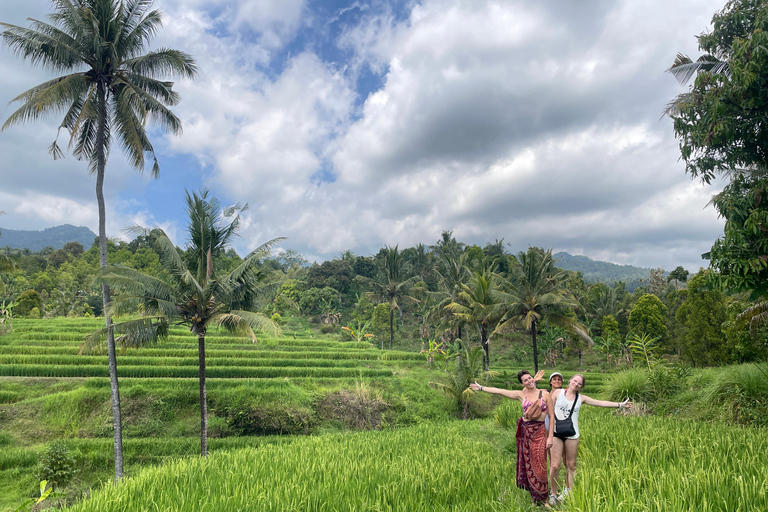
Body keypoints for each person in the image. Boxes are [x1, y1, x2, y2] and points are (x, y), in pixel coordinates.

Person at [470, 370, 554, 505]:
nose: (529, 381)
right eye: (525, 380)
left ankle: (544, 499)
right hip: (526, 433)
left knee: (541, 465)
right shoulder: (521, 395)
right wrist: (481, 388)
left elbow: (552, 416)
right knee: (529, 465)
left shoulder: (545, 394)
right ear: (522, 383)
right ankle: (534, 498)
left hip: (539, 432)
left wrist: (550, 437)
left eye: (530, 378)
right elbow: (499, 391)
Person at [548, 374, 632, 505]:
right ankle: (553, 493)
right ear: (570, 380)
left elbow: (601, 403)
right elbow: (548, 411)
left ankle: (570, 492)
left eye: (579, 383)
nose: (576, 384)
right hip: (556, 433)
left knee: (572, 465)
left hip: (572, 434)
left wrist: (620, 405)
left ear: (581, 387)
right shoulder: (557, 393)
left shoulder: (581, 398)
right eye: (575, 381)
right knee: (554, 465)